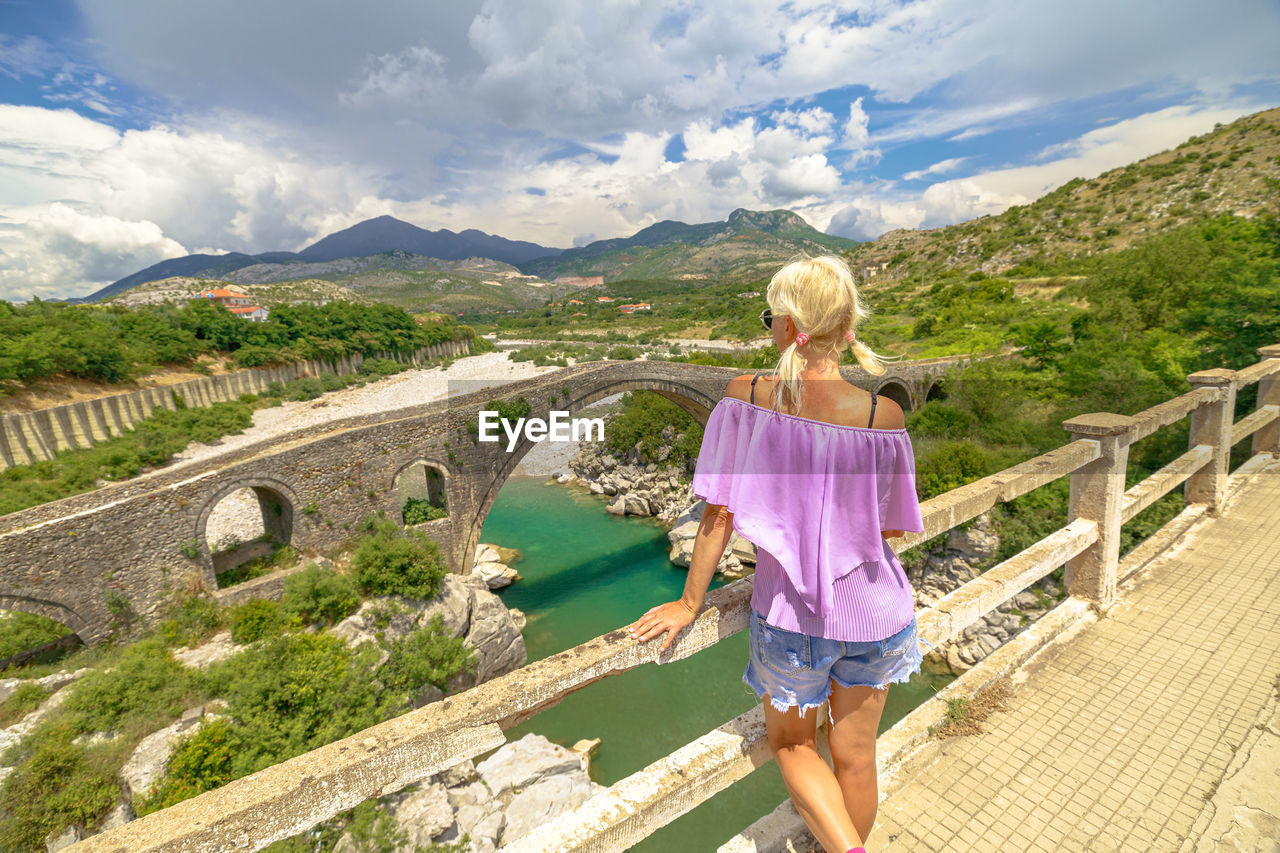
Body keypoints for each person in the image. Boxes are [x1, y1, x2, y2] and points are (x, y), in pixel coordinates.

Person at [628, 255, 925, 853]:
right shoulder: (884, 416)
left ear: (787, 325)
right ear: (847, 327)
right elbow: (890, 531)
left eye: (770, 317)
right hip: (877, 613)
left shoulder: (746, 399)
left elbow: (718, 512)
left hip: (794, 618)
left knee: (793, 746)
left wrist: (692, 603)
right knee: (857, 755)